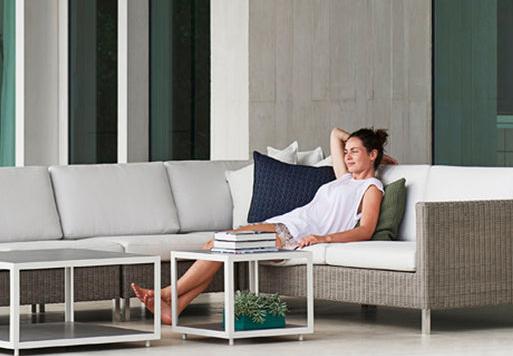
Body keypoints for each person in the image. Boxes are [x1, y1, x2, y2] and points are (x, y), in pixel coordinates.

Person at [131, 126, 395, 323]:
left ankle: (167, 293)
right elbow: (335, 133)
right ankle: (176, 306)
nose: (347, 156)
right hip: (285, 224)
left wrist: (322, 238)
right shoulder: (344, 179)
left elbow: (366, 230)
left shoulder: (371, 187)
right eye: (346, 152)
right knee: (214, 244)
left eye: (355, 152)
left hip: (295, 234)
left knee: (222, 241)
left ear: (370, 154)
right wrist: (376, 155)